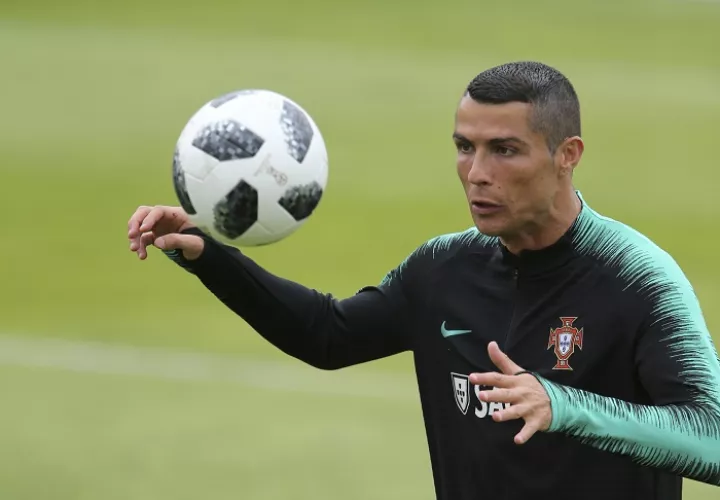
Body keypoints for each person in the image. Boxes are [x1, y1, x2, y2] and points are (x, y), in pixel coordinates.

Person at [127, 61, 720, 499]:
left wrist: (561, 406)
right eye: (465, 147)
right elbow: (328, 336)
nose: (477, 174)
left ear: (567, 154)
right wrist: (207, 256)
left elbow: (712, 439)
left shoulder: (639, 278)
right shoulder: (443, 268)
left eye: (505, 150)